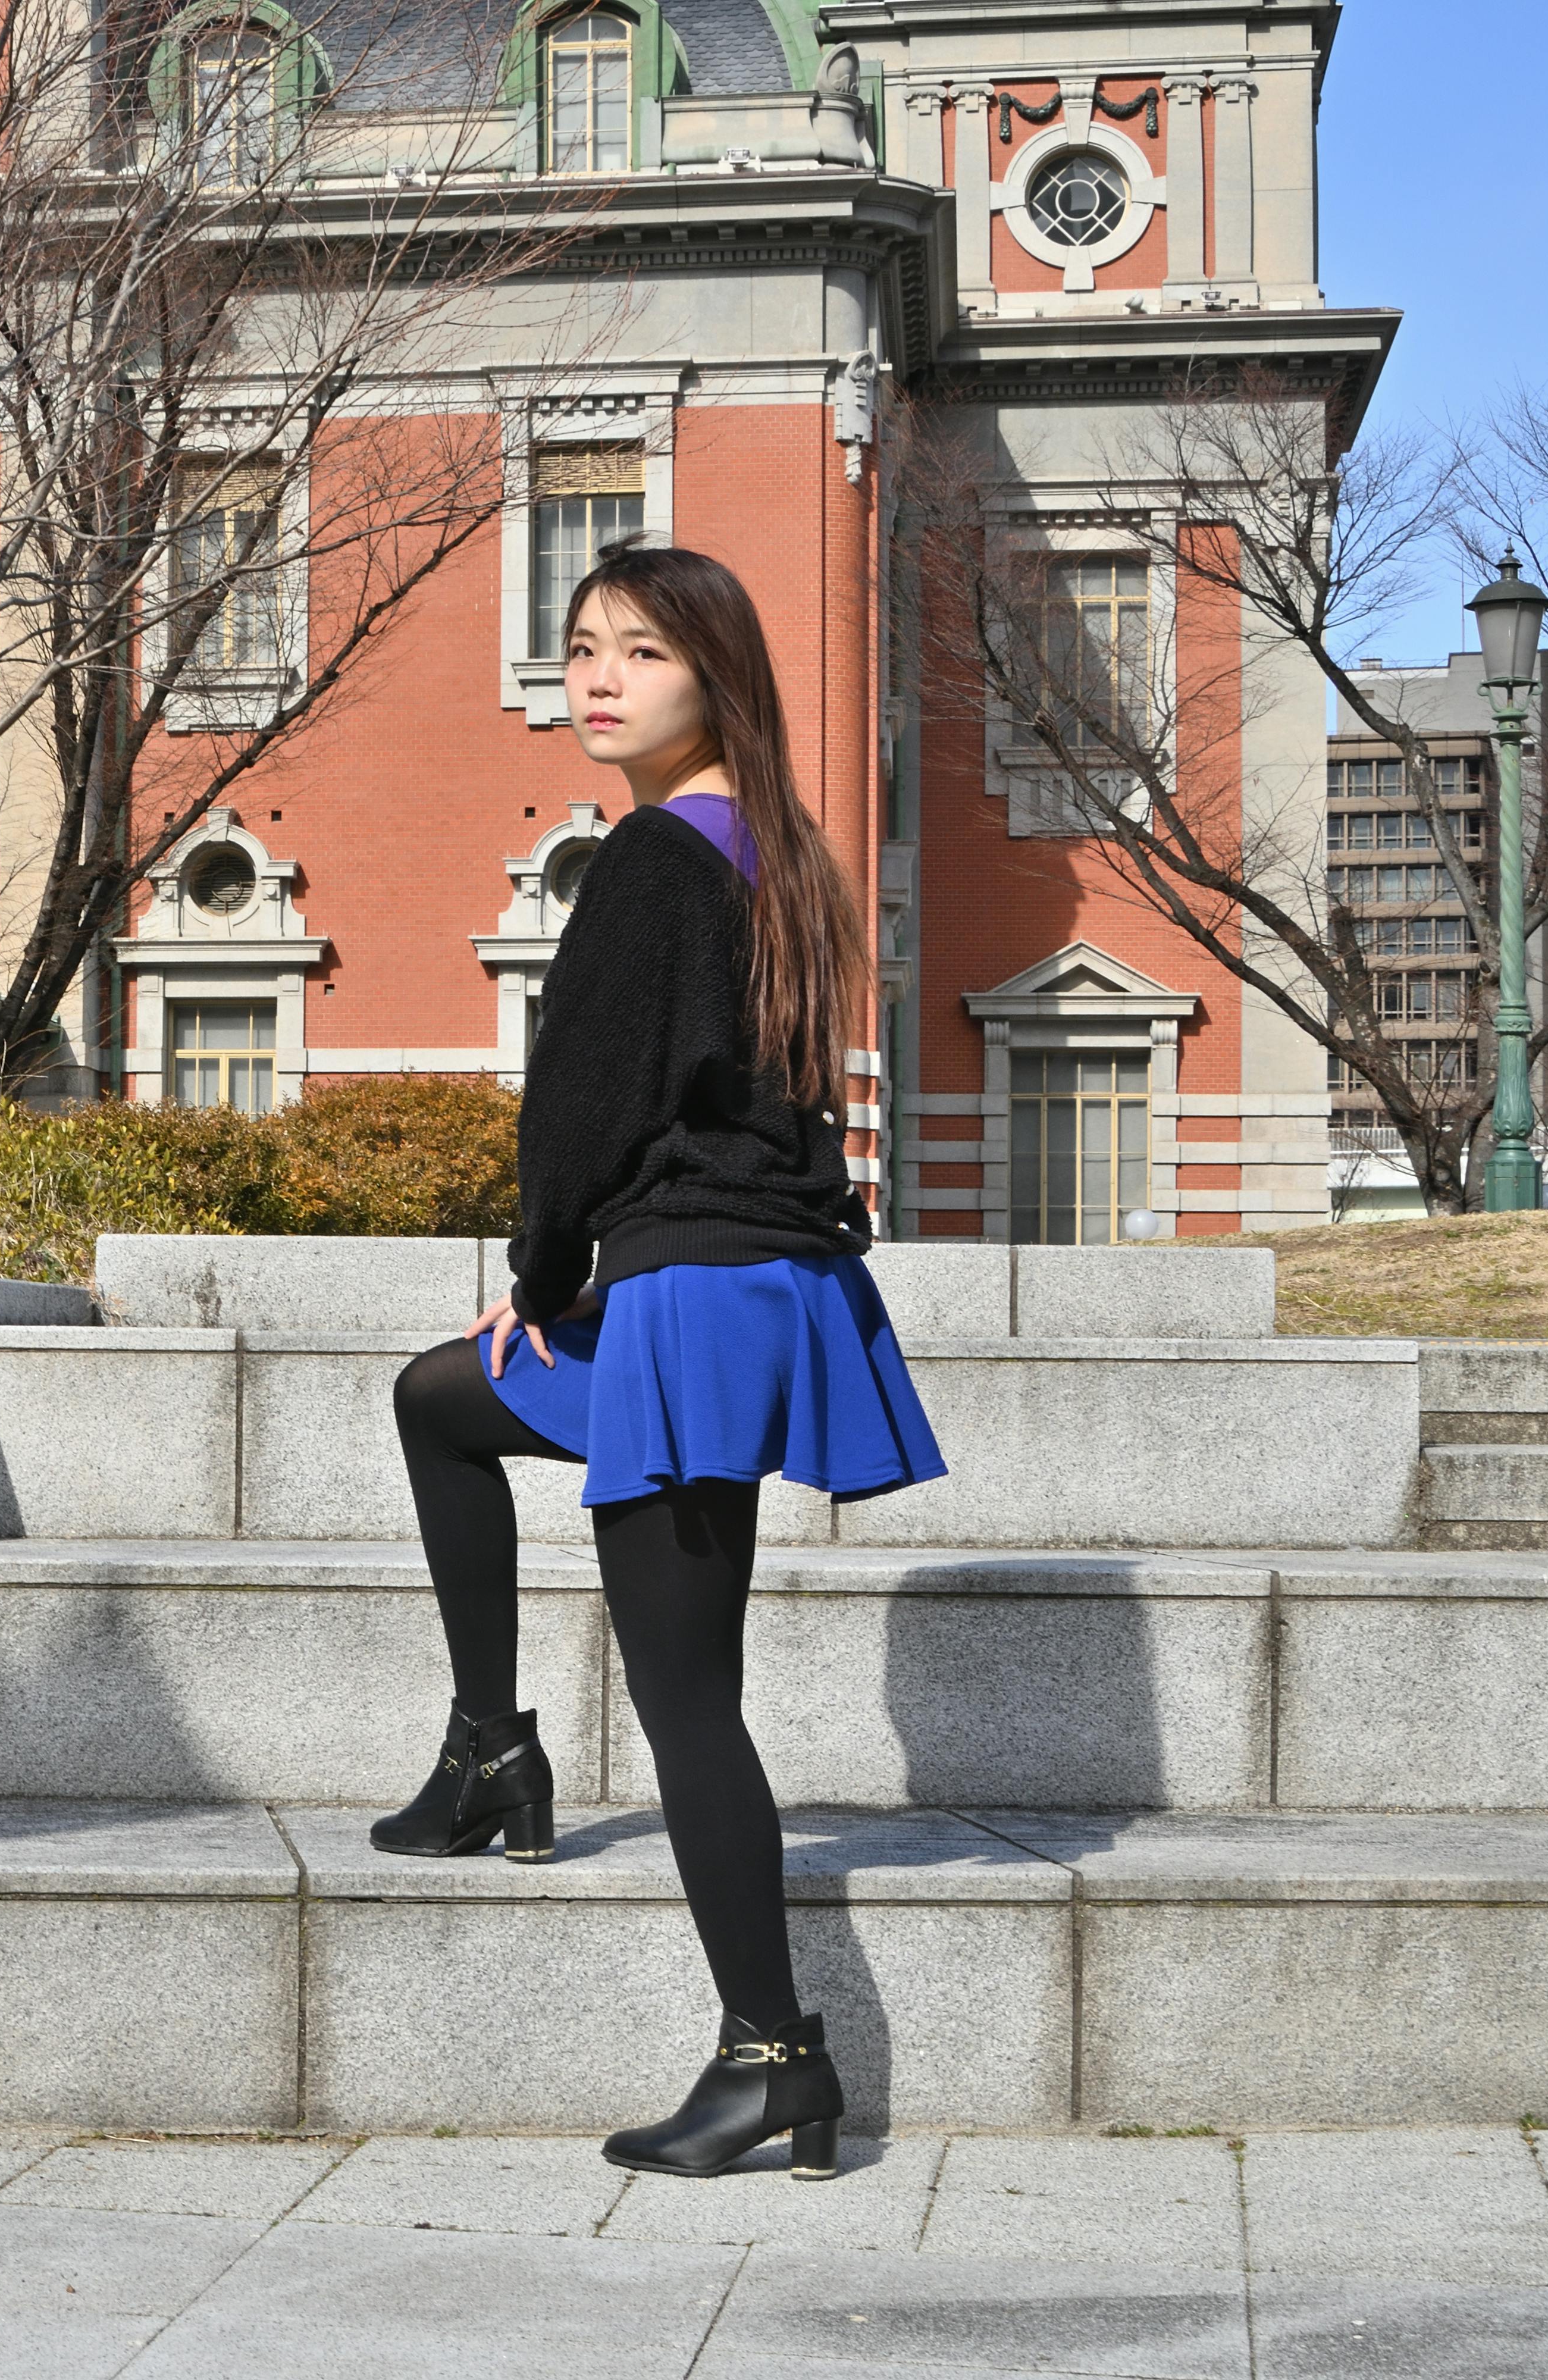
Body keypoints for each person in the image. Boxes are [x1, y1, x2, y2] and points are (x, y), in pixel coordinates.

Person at [375, 544, 947, 2183]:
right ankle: (492, 1749)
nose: (599, 675)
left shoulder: (647, 864)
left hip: (686, 1297)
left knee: (691, 1698)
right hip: (750, 1286)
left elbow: (579, 1115)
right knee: (439, 1400)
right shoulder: (773, 853)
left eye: (641, 648)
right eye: (580, 647)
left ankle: (771, 2056)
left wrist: (538, 1284)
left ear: (716, 675)